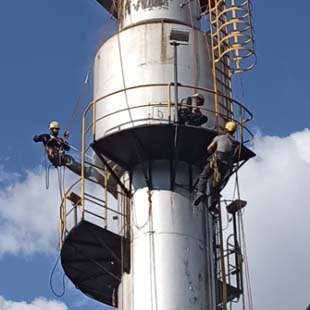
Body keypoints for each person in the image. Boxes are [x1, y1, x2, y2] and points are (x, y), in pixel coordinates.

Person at [33, 121, 104, 185]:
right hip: (54, 156)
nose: (57, 131)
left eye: (58, 129)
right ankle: (86, 171)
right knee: (69, 160)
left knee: (70, 160)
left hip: (60, 156)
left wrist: (64, 141)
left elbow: (68, 148)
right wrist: (39, 137)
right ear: (51, 129)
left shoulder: (59, 140)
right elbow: (36, 139)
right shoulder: (47, 136)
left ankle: (86, 171)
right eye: (55, 129)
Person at [193, 121, 239, 206]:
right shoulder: (235, 143)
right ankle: (214, 199)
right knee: (217, 182)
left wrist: (211, 151)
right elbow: (232, 153)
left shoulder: (219, 138)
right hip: (226, 164)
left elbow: (209, 149)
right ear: (233, 131)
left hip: (216, 160)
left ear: (226, 129)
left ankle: (200, 192)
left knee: (204, 175)